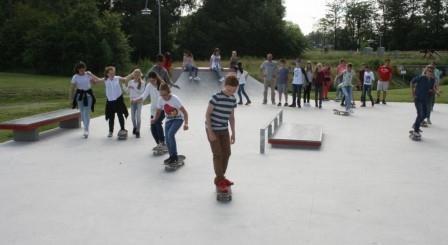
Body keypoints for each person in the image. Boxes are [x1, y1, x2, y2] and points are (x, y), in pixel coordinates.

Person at [205, 75, 238, 192]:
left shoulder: (233, 99)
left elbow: (231, 117)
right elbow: (207, 114)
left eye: (233, 90)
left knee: (227, 153)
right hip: (212, 128)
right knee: (218, 154)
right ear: (225, 86)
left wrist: (233, 133)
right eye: (229, 90)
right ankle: (220, 179)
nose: (230, 93)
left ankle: (220, 177)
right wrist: (210, 132)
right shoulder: (216, 97)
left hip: (224, 129)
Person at [90, 66, 133, 137]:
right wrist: (90, 74)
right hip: (110, 101)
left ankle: (122, 129)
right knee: (111, 117)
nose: (112, 74)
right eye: (111, 73)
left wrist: (132, 74)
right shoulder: (105, 79)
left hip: (118, 100)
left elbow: (125, 79)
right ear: (107, 74)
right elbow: (97, 80)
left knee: (120, 115)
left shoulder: (117, 78)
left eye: (113, 73)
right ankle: (110, 131)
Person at [152, 83, 189, 164]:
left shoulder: (175, 99)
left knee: (170, 134)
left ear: (169, 92)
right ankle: (171, 156)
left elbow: (185, 112)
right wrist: (155, 119)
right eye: (161, 95)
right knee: (167, 138)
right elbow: (158, 111)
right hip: (169, 120)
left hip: (178, 118)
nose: (164, 97)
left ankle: (175, 156)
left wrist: (186, 123)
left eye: (165, 95)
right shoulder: (160, 99)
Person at [133, 72, 167, 151]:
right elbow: (144, 95)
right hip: (153, 110)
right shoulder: (149, 85)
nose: (152, 82)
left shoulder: (162, 85)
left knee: (157, 123)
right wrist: (136, 99)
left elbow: (167, 95)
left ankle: (162, 143)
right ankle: (159, 144)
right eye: (150, 80)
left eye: (153, 80)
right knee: (152, 128)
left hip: (162, 109)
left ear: (156, 78)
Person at [70, 61, 97, 138]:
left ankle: (86, 129)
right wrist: (71, 99)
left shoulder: (88, 75)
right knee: (82, 112)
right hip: (79, 95)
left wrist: (91, 75)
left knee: (87, 112)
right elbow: (72, 88)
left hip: (88, 95)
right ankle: (85, 127)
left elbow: (95, 82)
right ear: (77, 69)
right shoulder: (75, 77)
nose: (82, 70)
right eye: (80, 69)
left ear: (85, 68)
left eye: (83, 69)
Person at [410, 66, 436, 137]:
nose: (430, 72)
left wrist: (434, 91)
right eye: (428, 71)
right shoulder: (421, 77)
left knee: (425, 114)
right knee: (420, 114)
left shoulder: (432, 80)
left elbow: (431, 89)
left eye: (431, 71)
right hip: (418, 99)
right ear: (426, 71)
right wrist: (413, 94)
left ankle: (416, 125)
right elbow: (412, 82)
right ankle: (416, 130)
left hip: (425, 99)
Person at [123, 69, 146, 138]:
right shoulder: (130, 82)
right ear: (133, 75)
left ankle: (138, 131)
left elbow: (141, 92)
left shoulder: (142, 82)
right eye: (135, 75)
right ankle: (135, 127)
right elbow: (127, 91)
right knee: (133, 117)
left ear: (140, 75)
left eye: (138, 75)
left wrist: (134, 88)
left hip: (139, 101)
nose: (136, 76)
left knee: (138, 117)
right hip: (132, 102)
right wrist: (124, 85)